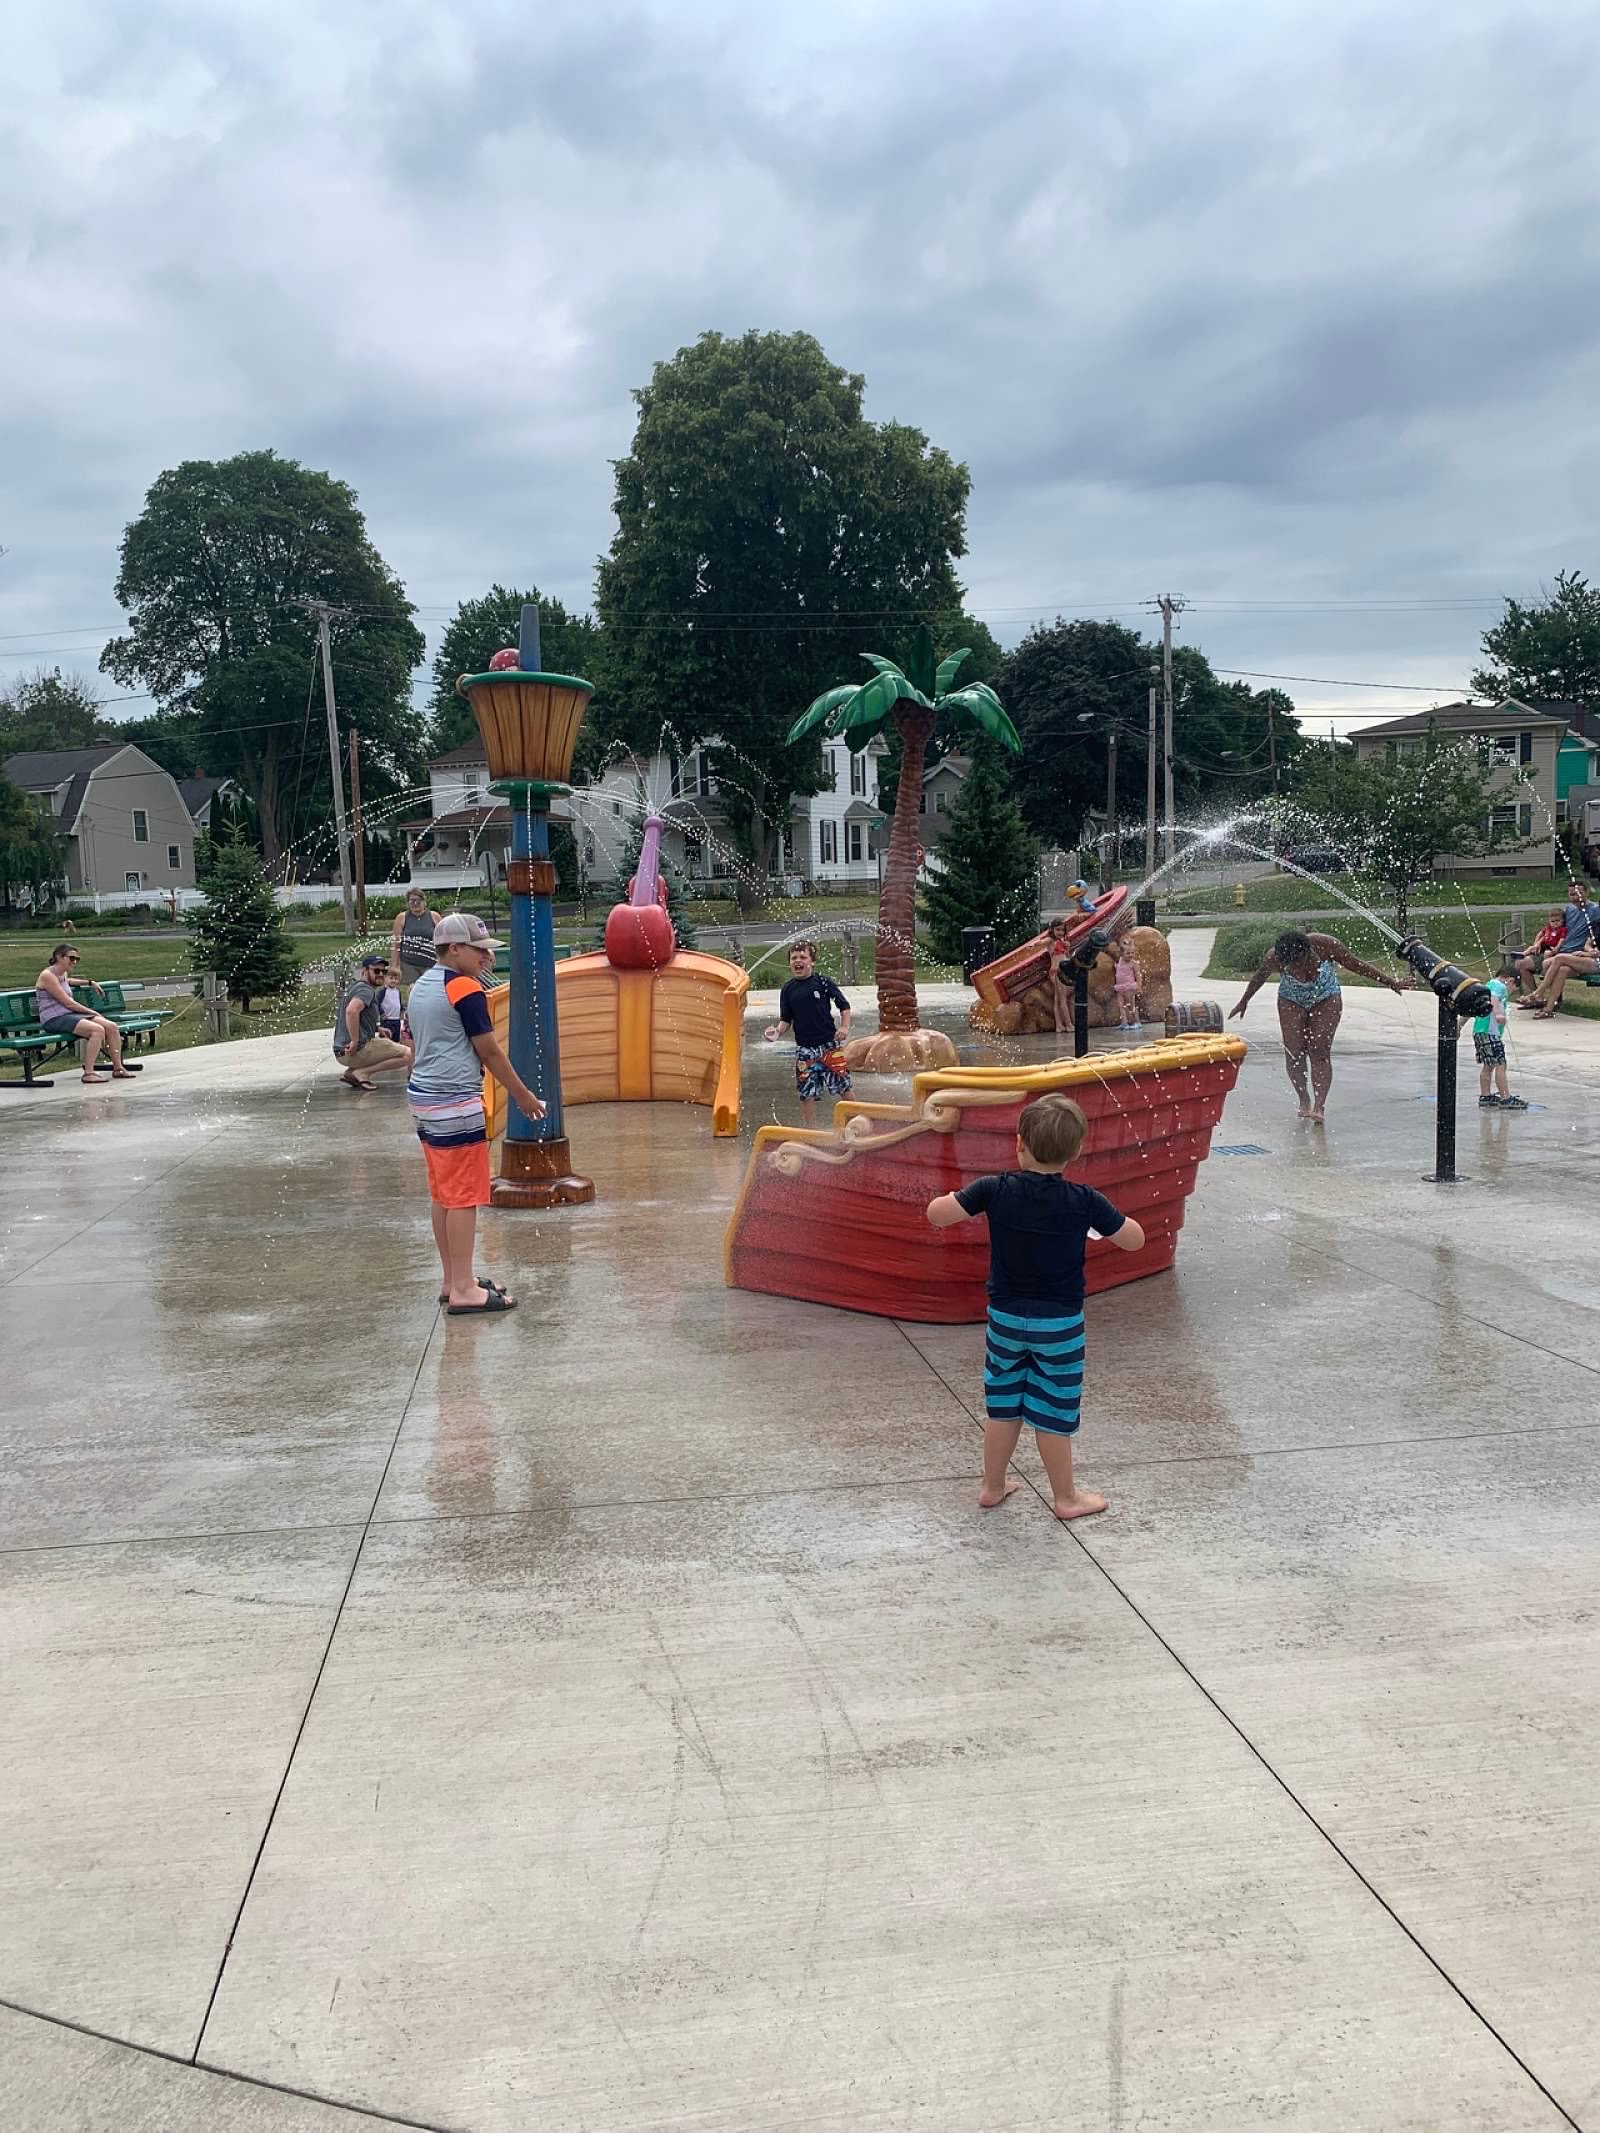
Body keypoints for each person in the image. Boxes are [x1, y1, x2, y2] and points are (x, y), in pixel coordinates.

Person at [926, 1093, 1144, 1520]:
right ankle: (1065, 1497)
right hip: (1060, 1325)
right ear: (1076, 1150)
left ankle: (992, 1486)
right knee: (1052, 1409)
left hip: (1005, 1320)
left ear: (1019, 1142)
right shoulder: (1084, 1200)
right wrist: (1112, 1221)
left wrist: (950, 1197)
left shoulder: (994, 1188)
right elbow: (1133, 1238)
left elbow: (938, 1214)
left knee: (1003, 1405)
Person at [406, 913, 547, 1315]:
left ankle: (453, 1279)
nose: (487, 959)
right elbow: (489, 1050)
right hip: (454, 1102)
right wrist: (523, 1097)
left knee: (443, 1194)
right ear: (454, 949)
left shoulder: (421, 985)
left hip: (425, 1099)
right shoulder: (464, 988)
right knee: (464, 1196)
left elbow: (416, 1046)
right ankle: (466, 1289)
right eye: (479, 950)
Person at [1229, 929, 1405, 1123]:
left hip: (1326, 996)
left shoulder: (1326, 945)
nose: (1294, 969)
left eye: (1297, 964)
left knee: (1319, 1050)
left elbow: (1356, 965)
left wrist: (1391, 983)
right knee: (1294, 1052)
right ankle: (1304, 1099)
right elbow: (1259, 977)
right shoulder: (1275, 957)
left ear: (1307, 952)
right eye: (1290, 966)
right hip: (1291, 999)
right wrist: (1244, 1000)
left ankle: (1319, 1105)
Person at [765, 941, 852, 1126]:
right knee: (806, 1093)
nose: (798, 961)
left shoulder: (823, 982)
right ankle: (811, 1130)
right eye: (794, 958)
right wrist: (777, 1032)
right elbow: (786, 1020)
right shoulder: (788, 989)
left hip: (829, 1046)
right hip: (805, 1050)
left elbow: (844, 1006)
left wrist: (844, 1027)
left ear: (812, 962)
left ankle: (858, 1120)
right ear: (789, 962)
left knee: (843, 1085)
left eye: (803, 957)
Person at [33, 944, 137, 1084]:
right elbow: (68, 1003)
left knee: (111, 1026)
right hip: (54, 1019)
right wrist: (93, 1012)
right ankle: (89, 1073)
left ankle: (118, 1068)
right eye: (71, 958)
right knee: (97, 1030)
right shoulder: (47, 975)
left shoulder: (62, 973)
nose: (74, 962)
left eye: (77, 959)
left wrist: (89, 982)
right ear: (59, 957)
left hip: (69, 1015)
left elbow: (67, 981)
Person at [1516, 885, 1600, 1018]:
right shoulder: (1569, 910)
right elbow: (1550, 928)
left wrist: (1587, 953)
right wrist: (1538, 943)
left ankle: (1538, 994)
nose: (1575, 897)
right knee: (1522, 963)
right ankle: (1545, 1006)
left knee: (1554, 962)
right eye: (1572, 894)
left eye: (1579, 893)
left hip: (1577, 956)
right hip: (1562, 951)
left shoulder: (1595, 911)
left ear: (1587, 892)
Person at [333, 952, 413, 1090]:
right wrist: (354, 1041)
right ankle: (362, 1072)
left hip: (341, 1050)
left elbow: (358, 1015)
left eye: (384, 971)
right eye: (376, 970)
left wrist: (377, 1029)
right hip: (355, 1050)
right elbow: (351, 1011)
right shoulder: (366, 990)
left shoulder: (355, 987)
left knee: (389, 1045)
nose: (381, 974)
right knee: (407, 1054)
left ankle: (351, 1073)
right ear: (364, 971)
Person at [1472, 977, 1527, 1111]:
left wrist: (1460, 1026)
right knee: (1500, 1064)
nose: (1509, 993)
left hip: (1480, 1031)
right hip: (1490, 1032)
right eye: (1513, 990)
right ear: (1510, 980)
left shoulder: (1486, 987)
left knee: (1488, 1064)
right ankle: (1505, 1097)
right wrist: (1497, 1014)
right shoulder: (1498, 986)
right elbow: (1495, 998)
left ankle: (1485, 1096)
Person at [391, 888, 442, 994]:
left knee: (431, 991)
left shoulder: (434, 916)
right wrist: (394, 965)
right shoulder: (402, 918)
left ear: (424, 901)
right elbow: (396, 944)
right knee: (412, 991)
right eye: (412, 900)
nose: (415, 903)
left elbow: (443, 940)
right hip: (409, 963)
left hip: (430, 963)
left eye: (418, 900)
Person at [1510, 907, 1568, 998]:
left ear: (1563, 920)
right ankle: (1536, 995)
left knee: (1547, 955)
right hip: (1543, 948)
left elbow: (1561, 940)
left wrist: (1556, 949)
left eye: (1558, 921)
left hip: (1552, 951)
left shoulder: (1562, 930)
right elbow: (1540, 934)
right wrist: (1536, 944)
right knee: (1520, 962)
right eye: (1552, 921)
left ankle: (1544, 973)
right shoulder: (1548, 928)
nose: (1555, 923)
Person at [1045, 917, 1074, 1035]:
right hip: (1056, 972)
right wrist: (1034, 945)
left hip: (1062, 971)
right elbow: (1042, 942)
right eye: (1057, 930)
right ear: (1052, 930)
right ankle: (1068, 1024)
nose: (1060, 932)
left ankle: (1059, 1025)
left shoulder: (1063, 942)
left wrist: (1068, 948)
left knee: (1057, 999)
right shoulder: (1050, 941)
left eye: (1062, 930)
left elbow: (1066, 956)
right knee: (1063, 999)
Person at [1113, 944, 1139, 1029]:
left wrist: (1139, 986)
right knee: (1121, 1006)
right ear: (1121, 953)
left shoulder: (1133, 963)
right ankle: (1124, 1022)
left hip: (1129, 987)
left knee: (1131, 1005)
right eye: (1128, 953)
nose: (1131, 955)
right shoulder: (1119, 961)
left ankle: (1136, 1022)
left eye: (1132, 953)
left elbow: (1138, 976)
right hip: (1120, 987)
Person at [377, 964, 405, 1044]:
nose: (393, 980)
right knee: (387, 1041)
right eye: (391, 978)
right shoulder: (383, 991)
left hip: (396, 1019)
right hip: (387, 1020)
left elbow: (398, 1003)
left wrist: (402, 1010)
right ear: (385, 978)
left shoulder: (398, 991)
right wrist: (381, 1013)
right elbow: (377, 1003)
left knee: (396, 1040)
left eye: (396, 979)